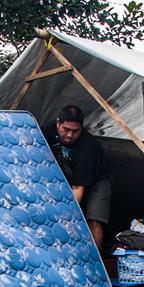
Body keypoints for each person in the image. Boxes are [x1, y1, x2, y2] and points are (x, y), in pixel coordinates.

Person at [45, 105, 112, 252]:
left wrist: (68, 217)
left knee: (94, 220)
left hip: (96, 181)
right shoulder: (48, 131)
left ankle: (96, 260)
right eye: (66, 130)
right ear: (58, 124)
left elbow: (77, 188)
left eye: (75, 131)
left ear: (82, 128)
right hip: (67, 176)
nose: (69, 135)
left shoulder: (89, 148)